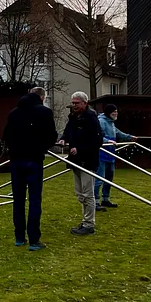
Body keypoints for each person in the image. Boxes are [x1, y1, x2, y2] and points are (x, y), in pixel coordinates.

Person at [3, 86, 57, 250]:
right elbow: (51, 136)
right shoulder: (44, 112)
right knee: (34, 200)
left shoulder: (14, 113)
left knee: (18, 200)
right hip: (34, 160)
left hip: (16, 161)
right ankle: (34, 239)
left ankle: (19, 236)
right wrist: (42, 147)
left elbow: (5, 135)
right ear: (42, 97)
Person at [58, 91, 104, 236]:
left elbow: (97, 141)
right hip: (75, 160)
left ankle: (89, 224)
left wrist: (80, 149)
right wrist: (63, 139)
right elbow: (68, 130)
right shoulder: (73, 116)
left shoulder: (91, 118)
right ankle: (85, 221)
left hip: (88, 160)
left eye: (77, 103)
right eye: (73, 103)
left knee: (88, 193)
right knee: (80, 194)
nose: (74, 105)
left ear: (85, 103)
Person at [95, 104, 137, 209]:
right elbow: (97, 135)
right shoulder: (101, 122)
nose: (116, 113)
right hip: (101, 154)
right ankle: (95, 201)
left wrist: (130, 138)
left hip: (110, 154)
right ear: (109, 112)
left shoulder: (111, 123)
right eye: (114, 111)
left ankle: (105, 199)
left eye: (116, 111)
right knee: (99, 178)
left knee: (109, 178)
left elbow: (119, 133)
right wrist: (107, 141)